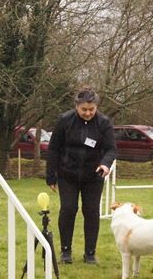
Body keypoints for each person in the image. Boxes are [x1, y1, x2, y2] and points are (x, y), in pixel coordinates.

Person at [46, 86, 116, 264]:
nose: (88, 113)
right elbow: (53, 148)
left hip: (93, 175)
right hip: (67, 174)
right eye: (84, 109)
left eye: (91, 109)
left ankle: (90, 253)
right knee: (68, 209)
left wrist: (105, 164)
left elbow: (111, 149)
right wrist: (51, 175)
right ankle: (65, 252)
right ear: (76, 106)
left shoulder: (104, 123)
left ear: (96, 107)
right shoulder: (65, 120)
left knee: (91, 211)